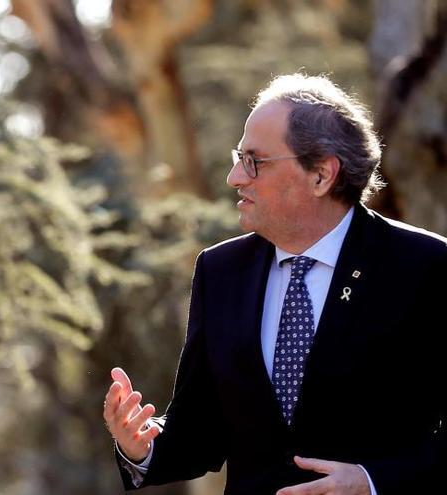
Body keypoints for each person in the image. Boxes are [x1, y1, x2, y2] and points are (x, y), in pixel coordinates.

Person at [103, 73, 446, 494]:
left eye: (254, 161)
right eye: (238, 157)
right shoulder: (220, 270)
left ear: (321, 175)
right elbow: (200, 433)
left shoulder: (426, 266)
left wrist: (372, 482)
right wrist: (141, 445)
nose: (234, 177)